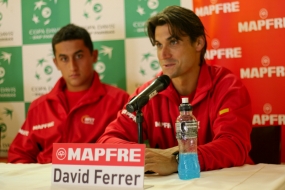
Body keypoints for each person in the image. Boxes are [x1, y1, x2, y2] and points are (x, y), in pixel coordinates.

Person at [97, 6, 253, 175]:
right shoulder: (148, 92)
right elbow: (106, 142)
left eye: (173, 42)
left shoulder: (227, 87)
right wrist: (143, 156)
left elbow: (233, 146)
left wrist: (177, 158)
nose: (163, 54)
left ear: (198, 43)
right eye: (158, 44)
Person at [8, 24, 129, 163]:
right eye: (64, 59)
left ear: (94, 56)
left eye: (79, 56)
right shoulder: (39, 107)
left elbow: (128, 154)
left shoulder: (120, 101)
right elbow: (18, 155)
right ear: (56, 63)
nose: (72, 66)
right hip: (45, 183)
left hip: (97, 182)